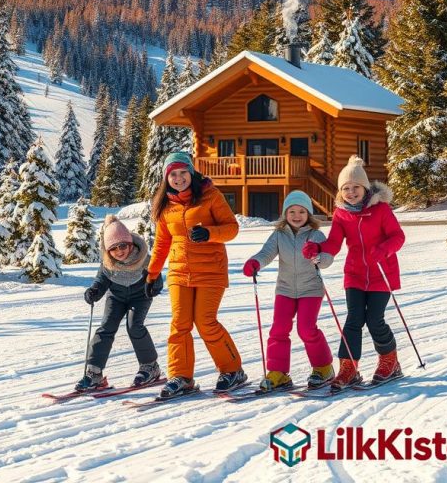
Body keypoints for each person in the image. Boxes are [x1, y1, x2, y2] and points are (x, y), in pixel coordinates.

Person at [146, 150, 247, 397]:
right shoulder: (165, 205)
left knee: (205, 322)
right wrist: (152, 274)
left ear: (191, 173)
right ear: (166, 178)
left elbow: (232, 228)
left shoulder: (210, 195)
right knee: (179, 324)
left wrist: (209, 233)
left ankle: (233, 370)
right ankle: (181, 377)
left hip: (211, 270)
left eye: (183, 172)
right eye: (173, 174)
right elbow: (161, 243)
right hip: (180, 272)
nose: (178, 178)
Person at [302, 155, 405, 391]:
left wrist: (383, 250)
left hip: (381, 272)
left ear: (365, 188)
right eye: (346, 188)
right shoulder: (341, 214)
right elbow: (334, 243)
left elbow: (398, 237)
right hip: (355, 275)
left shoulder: (381, 210)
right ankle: (349, 368)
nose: (351, 192)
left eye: (355, 187)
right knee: (353, 320)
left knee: (374, 319)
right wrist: (318, 248)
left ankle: (390, 361)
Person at [243, 190, 335, 390]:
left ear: (308, 214)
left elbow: (327, 259)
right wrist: (255, 262)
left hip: (311, 289)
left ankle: (323, 368)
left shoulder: (315, 235)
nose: (296, 216)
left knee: (306, 329)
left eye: (301, 211)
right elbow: (266, 253)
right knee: (279, 328)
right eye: (291, 211)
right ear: (285, 214)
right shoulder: (278, 235)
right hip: (285, 289)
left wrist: (317, 255)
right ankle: (278, 372)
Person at [75, 214, 163, 391]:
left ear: (130, 243)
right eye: (113, 248)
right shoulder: (108, 263)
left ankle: (150, 366)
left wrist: (155, 287)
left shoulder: (144, 257)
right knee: (105, 328)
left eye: (123, 246)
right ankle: (94, 372)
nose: (119, 251)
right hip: (116, 297)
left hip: (140, 296)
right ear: (108, 251)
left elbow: (156, 274)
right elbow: (101, 280)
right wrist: (93, 291)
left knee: (134, 326)